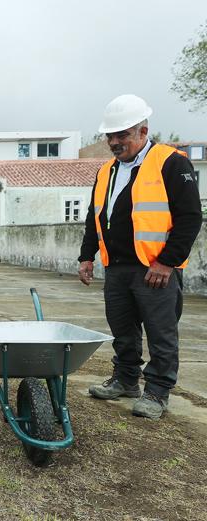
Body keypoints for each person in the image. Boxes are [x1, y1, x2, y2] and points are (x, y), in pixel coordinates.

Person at [79, 94, 202, 419]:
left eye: (123, 135)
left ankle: (158, 392)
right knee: (122, 329)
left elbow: (190, 216)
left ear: (143, 131)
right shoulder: (106, 171)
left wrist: (167, 261)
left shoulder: (171, 162)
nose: (115, 142)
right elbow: (96, 215)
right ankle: (125, 379)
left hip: (155, 268)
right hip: (117, 268)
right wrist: (86, 256)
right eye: (111, 136)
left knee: (161, 333)